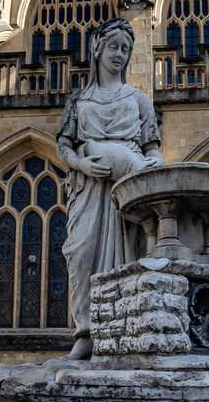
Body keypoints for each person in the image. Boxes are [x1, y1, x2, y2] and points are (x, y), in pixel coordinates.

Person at [57, 18, 163, 359]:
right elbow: (64, 147)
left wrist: (154, 164)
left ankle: (126, 329)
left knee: (129, 258)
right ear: (97, 49)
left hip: (126, 186)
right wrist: (83, 165)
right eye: (115, 47)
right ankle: (85, 332)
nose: (120, 54)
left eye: (126, 49)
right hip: (88, 186)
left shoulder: (140, 101)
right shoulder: (78, 101)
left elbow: (153, 149)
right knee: (81, 253)